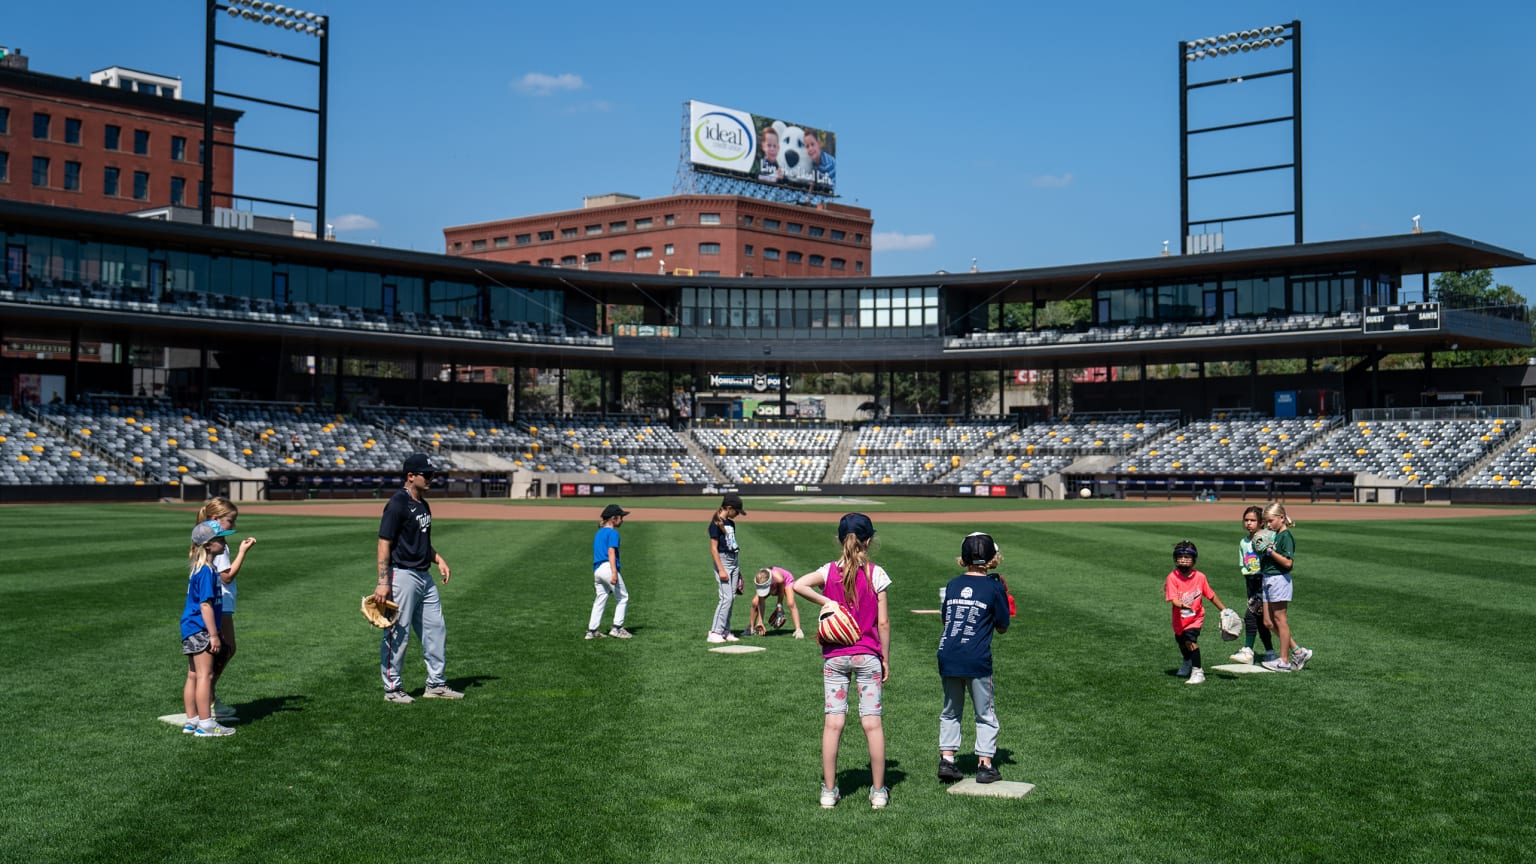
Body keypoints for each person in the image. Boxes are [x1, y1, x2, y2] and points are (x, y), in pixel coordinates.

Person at [793, 513, 891, 810]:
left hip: (835, 658)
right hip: (867, 655)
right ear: (869, 540)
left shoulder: (829, 571)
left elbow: (798, 584)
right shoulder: (876, 573)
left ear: (839, 539)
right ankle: (877, 792)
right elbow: (883, 623)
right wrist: (884, 659)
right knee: (872, 724)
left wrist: (827, 601)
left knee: (833, 723)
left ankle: (829, 791)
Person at [373, 453, 462, 703]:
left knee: (436, 629)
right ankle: (392, 689)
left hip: (424, 575)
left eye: (433, 474)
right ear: (411, 476)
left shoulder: (422, 503)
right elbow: (384, 542)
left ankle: (436, 683)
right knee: (397, 632)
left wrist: (438, 558)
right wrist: (383, 581)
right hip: (402, 575)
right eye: (428, 474)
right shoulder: (397, 503)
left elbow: (420, 541)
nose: (432, 478)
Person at [936, 532, 1011, 784]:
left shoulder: (953, 584)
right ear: (992, 558)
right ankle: (985, 764)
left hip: (948, 655)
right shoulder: (994, 586)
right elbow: (1002, 626)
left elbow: (946, 619)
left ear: (963, 558)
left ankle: (947, 760)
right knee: (985, 713)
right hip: (977, 658)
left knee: (950, 711)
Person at [196, 497, 257, 722]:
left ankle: (208, 695)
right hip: (220, 603)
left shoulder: (207, 540)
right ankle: (209, 697)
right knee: (225, 649)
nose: (234, 525)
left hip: (220, 603)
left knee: (223, 650)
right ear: (215, 520)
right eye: (230, 521)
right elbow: (227, 576)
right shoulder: (217, 544)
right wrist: (243, 552)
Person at [182, 519, 237, 737]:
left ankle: (192, 720)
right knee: (205, 675)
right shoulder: (206, 571)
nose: (224, 543)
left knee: (193, 675)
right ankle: (206, 725)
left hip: (190, 626)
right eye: (220, 539)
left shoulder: (201, 568)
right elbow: (205, 605)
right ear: (208, 545)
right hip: (201, 628)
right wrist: (213, 635)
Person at [1164, 540, 1229, 685]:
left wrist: (1224, 610)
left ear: (1194, 559)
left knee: (1190, 641)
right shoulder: (1172, 577)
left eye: (1187, 557)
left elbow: (1210, 595)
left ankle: (1198, 671)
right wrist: (1182, 605)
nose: (1183, 560)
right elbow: (1173, 600)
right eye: (1180, 556)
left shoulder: (1200, 577)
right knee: (1182, 643)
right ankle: (1187, 661)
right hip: (1179, 619)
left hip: (1195, 618)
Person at [1258, 503, 1312, 672]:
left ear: (1281, 518)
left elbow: (1288, 563)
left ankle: (1284, 661)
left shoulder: (1285, 536)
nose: (1268, 525)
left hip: (1279, 579)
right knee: (1267, 622)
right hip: (1267, 578)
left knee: (1280, 620)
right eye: (1266, 521)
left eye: (1270, 521)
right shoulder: (1274, 535)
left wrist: (1269, 551)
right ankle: (1298, 651)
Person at [1229, 506, 1276, 665]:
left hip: (1263, 581)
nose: (1249, 523)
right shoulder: (1244, 541)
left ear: (1261, 522)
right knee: (1261, 619)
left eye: (1253, 520)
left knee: (1250, 615)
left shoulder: (1268, 537)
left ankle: (1248, 651)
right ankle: (1270, 652)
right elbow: (1243, 562)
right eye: (1246, 520)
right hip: (1251, 581)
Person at [588, 504, 633, 639]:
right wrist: (614, 572)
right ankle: (617, 628)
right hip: (608, 568)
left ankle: (592, 631)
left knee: (600, 599)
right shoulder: (613, 533)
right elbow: (611, 551)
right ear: (614, 518)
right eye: (621, 517)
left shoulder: (599, 533)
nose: (622, 520)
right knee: (623, 597)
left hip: (598, 570)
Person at [706, 493, 746, 644]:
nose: (737, 514)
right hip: (723, 562)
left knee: (732, 598)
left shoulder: (730, 523)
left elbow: (732, 545)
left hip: (734, 561)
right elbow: (714, 549)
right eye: (736, 511)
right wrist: (721, 569)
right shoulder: (715, 524)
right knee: (726, 598)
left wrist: (738, 570)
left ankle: (725, 630)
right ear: (729, 508)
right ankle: (715, 632)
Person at [748, 566, 804, 638]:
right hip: (771, 585)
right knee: (755, 602)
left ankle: (798, 630)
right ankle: (751, 629)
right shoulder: (759, 580)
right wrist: (760, 621)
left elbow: (781, 592)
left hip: (786, 582)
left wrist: (779, 606)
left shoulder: (779, 579)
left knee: (791, 603)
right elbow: (761, 601)